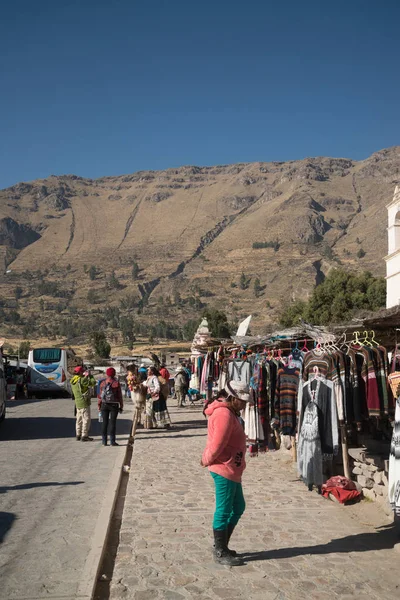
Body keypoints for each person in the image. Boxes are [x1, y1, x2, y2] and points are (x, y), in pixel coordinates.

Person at [201, 380, 252, 566]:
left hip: (232, 467)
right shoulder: (224, 414)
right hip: (224, 468)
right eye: (242, 400)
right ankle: (220, 551)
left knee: (238, 506)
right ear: (232, 398)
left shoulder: (231, 412)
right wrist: (206, 459)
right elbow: (217, 444)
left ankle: (221, 545)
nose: (245, 404)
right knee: (223, 510)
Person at [98, 367, 124, 446]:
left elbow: (100, 396)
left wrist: (99, 405)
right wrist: (121, 405)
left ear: (107, 374)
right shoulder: (116, 383)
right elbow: (119, 395)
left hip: (104, 404)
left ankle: (104, 441)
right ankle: (112, 441)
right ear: (114, 374)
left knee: (104, 423)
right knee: (113, 423)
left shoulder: (103, 383)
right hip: (114, 405)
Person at [71, 366, 97, 441]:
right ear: (80, 372)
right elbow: (93, 383)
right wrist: (90, 376)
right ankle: (84, 435)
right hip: (84, 402)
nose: (83, 372)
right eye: (82, 371)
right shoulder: (82, 380)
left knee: (78, 419)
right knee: (86, 419)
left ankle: (78, 434)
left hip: (77, 403)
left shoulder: (73, 380)